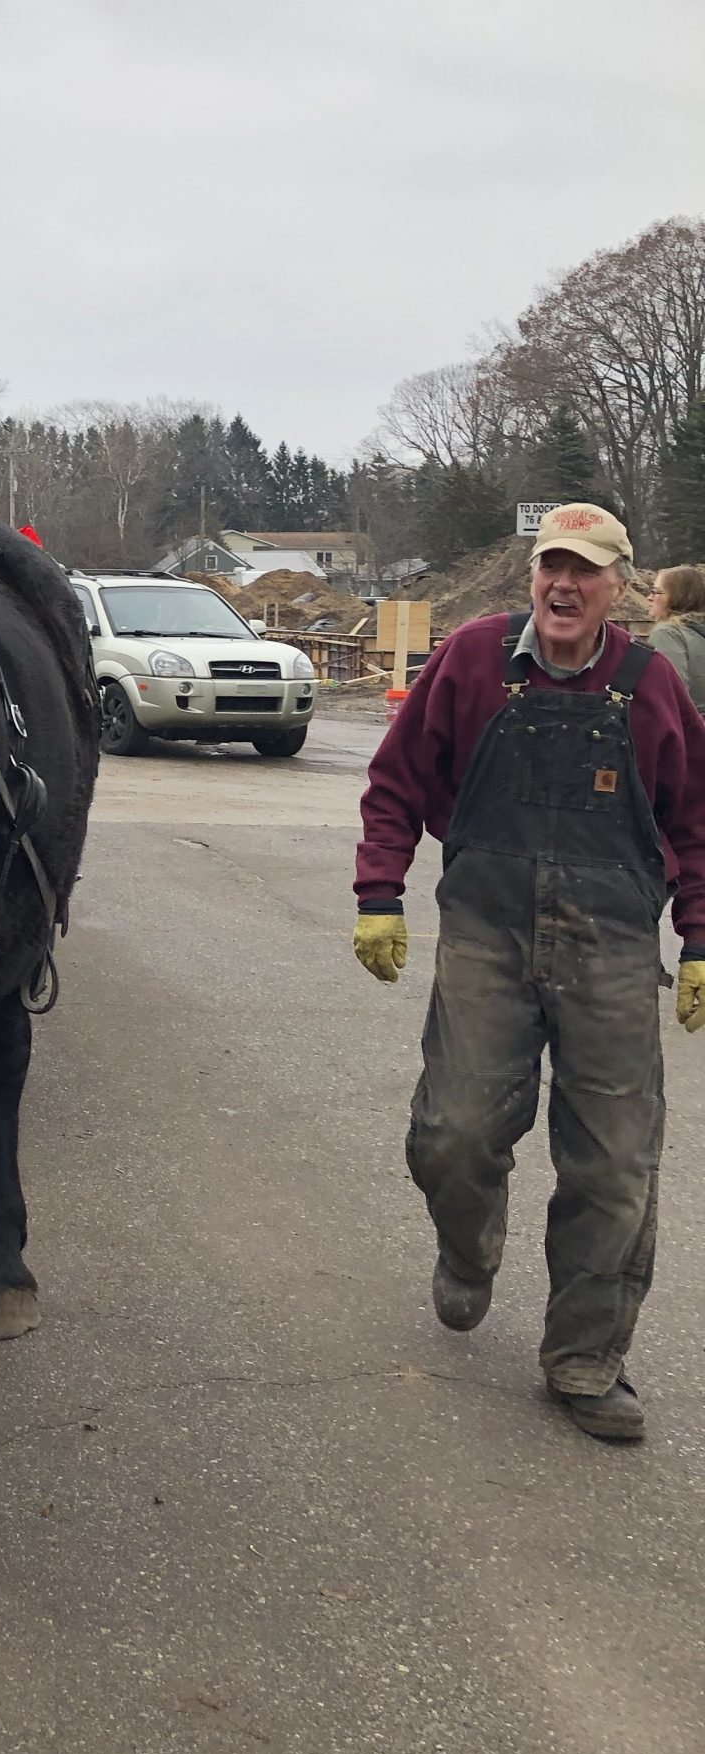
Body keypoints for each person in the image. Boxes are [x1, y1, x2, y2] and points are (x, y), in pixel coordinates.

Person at [352, 503, 705, 1444]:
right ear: (532, 576)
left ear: (620, 587)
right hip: (487, 932)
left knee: (616, 1166)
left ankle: (585, 1359)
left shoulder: (651, 685)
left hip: (611, 947)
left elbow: (695, 820)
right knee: (454, 1134)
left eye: (586, 570)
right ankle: (469, 1246)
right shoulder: (473, 658)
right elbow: (394, 780)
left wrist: (699, 940)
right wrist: (379, 891)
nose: (564, 584)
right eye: (553, 565)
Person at [645, 561, 705, 711]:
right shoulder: (697, 631)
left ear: (677, 597)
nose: (649, 597)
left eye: (656, 592)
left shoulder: (667, 633)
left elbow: (671, 694)